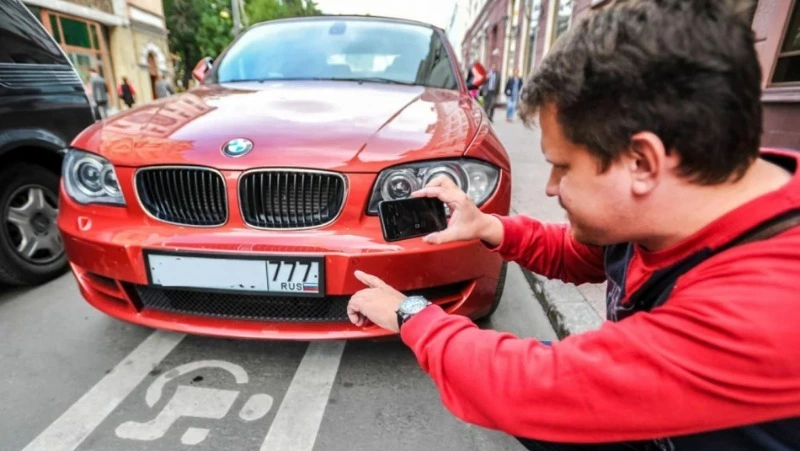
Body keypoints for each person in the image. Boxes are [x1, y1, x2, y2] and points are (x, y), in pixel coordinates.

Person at [346, 0, 800, 449]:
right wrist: (489, 227)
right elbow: (582, 255)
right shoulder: (684, 205)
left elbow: (531, 387)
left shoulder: (768, 305)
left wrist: (411, 315)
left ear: (641, 162)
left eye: (562, 167)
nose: (550, 187)